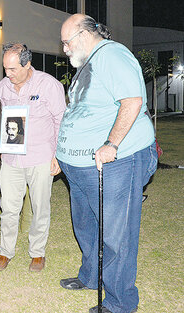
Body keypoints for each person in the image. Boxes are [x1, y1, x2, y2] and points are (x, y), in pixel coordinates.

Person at [57, 14, 157, 313]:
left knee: (116, 235)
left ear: (85, 35)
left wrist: (111, 144)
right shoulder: (90, 62)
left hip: (117, 163)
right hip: (79, 167)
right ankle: (91, 277)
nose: (64, 49)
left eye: (66, 42)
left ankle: (119, 303)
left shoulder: (112, 55)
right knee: (86, 225)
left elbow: (132, 101)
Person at [0, 43, 66, 272]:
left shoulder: (49, 85)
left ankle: (37, 253)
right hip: (11, 159)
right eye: (5, 68)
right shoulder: (3, 87)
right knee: (8, 207)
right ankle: (6, 251)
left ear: (27, 63)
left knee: (40, 207)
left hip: (41, 157)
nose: (8, 74)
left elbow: (60, 121)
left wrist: (58, 155)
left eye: (13, 69)